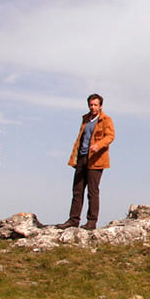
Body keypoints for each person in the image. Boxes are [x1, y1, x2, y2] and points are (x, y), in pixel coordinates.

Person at [55, 93, 114, 230]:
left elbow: (110, 136)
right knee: (77, 190)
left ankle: (91, 222)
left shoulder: (106, 120)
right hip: (82, 157)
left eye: (95, 105)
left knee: (92, 192)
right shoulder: (86, 119)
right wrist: (75, 158)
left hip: (96, 159)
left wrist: (98, 145)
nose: (93, 107)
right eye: (91, 105)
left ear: (100, 106)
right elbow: (81, 139)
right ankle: (73, 220)